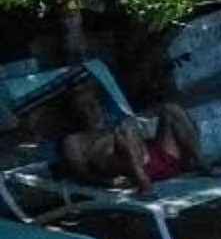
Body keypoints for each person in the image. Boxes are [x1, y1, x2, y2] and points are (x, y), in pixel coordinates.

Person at [55, 77, 208, 193]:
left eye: (94, 103)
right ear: (74, 112)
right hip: (130, 171)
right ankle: (143, 180)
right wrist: (107, 182)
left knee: (171, 109)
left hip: (156, 155)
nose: (92, 109)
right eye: (84, 106)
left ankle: (200, 163)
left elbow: (140, 137)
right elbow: (81, 174)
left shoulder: (113, 122)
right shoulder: (74, 140)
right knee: (123, 130)